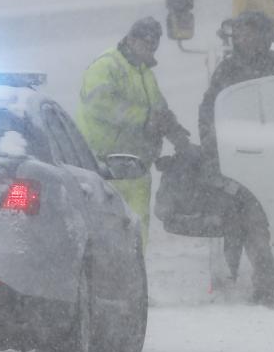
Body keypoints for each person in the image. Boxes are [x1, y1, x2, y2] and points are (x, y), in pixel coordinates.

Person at [197, 10, 274, 304]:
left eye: (248, 33)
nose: (242, 39)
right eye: (239, 34)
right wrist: (213, 150)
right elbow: (210, 112)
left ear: (264, 36)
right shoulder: (227, 70)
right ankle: (264, 288)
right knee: (253, 229)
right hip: (245, 163)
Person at [76, 16, 194, 246]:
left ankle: (135, 275)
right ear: (131, 39)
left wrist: (176, 133)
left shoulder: (144, 72)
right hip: (105, 168)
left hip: (137, 168)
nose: (151, 48)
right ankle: (112, 278)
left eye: (154, 44)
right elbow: (101, 104)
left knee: (138, 231)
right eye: (147, 43)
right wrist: (144, 119)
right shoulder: (107, 65)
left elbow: (158, 108)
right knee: (107, 234)